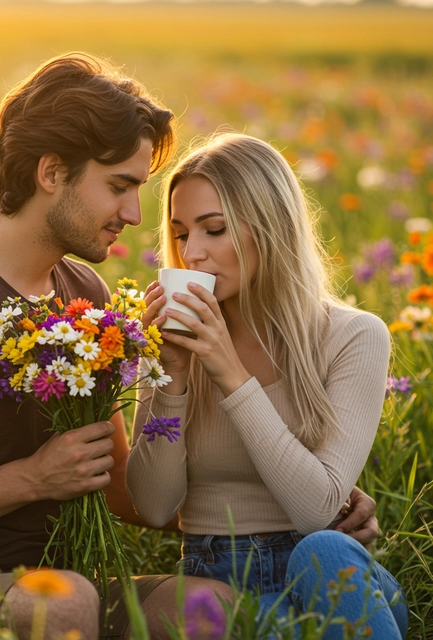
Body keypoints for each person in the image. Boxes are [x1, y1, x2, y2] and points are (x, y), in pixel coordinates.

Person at [0, 54, 380, 640]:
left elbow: (128, 490)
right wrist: (31, 479)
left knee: (213, 608)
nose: (134, 214)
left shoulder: (82, 292)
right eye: (119, 186)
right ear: (51, 173)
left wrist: (312, 499)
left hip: (74, 578)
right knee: (62, 605)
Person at [126, 132, 408, 638]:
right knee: (247, 622)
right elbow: (154, 503)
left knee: (323, 549)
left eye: (214, 230)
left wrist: (229, 371)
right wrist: (171, 374)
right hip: (215, 580)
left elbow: (315, 508)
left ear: (272, 228)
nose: (193, 253)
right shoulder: (176, 344)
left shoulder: (353, 336)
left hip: (325, 572)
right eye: (182, 233)